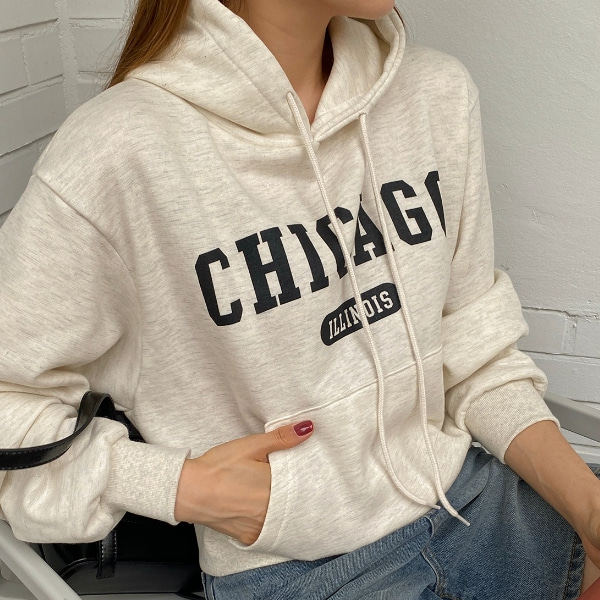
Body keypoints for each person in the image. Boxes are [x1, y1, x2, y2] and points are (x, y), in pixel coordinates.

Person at [0, 0, 599, 598]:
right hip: (298, 570)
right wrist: (182, 488)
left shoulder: (434, 94)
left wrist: (588, 507)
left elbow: (474, 355)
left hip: (478, 504)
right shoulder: (117, 151)